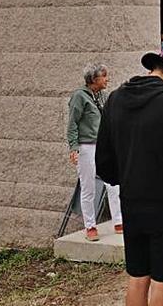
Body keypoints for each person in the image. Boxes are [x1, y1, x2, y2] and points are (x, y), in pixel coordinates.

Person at [96, 50, 163, 306]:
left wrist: (129, 177)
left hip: (131, 201)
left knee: (138, 275)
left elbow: (104, 162)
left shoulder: (116, 99)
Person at [67, 63, 122, 242]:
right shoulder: (80, 97)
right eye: (104, 76)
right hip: (86, 146)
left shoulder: (102, 96)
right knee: (88, 186)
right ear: (94, 79)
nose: (107, 79)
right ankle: (90, 226)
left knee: (113, 184)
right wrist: (73, 147)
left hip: (103, 145)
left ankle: (118, 221)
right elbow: (73, 123)